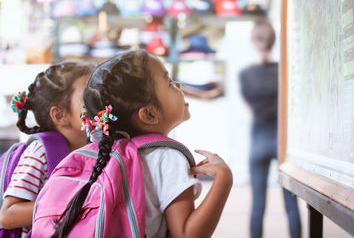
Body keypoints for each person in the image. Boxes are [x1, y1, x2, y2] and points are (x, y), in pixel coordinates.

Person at [42, 50, 233, 238]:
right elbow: (187, 234)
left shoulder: (105, 155)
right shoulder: (167, 157)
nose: (178, 84)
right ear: (149, 114)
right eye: (169, 82)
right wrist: (224, 179)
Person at [0, 62, 94, 237]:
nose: (99, 102)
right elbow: (7, 214)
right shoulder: (40, 153)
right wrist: (73, 203)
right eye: (89, 97)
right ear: (60, 115)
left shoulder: (95, 146)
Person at [240, 19, 301, 238]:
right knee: (291, 205)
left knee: (258, 204)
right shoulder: (284, 72)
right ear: (273, 42)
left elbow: (250, 106)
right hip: (282, 142)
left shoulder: (246, 75)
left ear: (253, 41)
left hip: (258, 140)